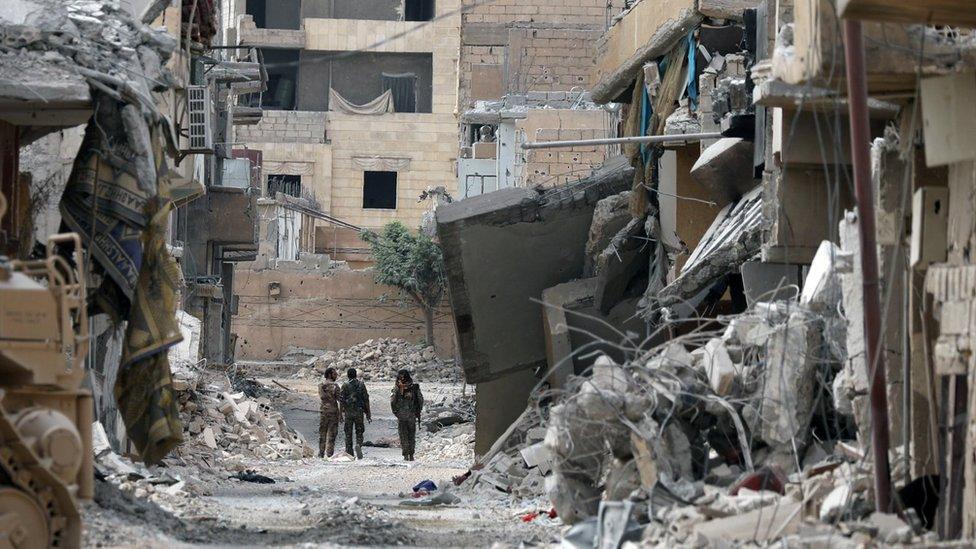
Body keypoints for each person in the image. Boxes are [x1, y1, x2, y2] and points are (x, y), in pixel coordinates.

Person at [391, 369, 423, 461]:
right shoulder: (414, 387)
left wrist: (396, 412)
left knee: (403, 435)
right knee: (411, 435)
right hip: (411, 415)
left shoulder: (397, 387)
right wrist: (418, 411)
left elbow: (393, 401)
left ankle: (405, 455)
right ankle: (411, 455)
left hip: (401, 416)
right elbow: (420, 400)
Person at [340, 368, 371, 459]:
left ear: (348, 375)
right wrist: (368, 413)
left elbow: (341, 401)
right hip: (359, 412)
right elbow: (366, 399)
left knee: (348, 433)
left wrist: (340, 415)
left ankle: (349, 453)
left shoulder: (345, 385)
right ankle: (359, 445)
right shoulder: (361, 385)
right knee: (359, 431)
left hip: (349, 413)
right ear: (356, 375)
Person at [318, 367, 342, 458]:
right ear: (330, 375)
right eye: (334, 374)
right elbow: (340, 400)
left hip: (323, 412)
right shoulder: (336, 386)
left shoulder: (321, 385)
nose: (336, 376)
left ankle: (321, 453)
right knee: (332, 434)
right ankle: (329, 454)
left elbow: (322, 397)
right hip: (333, 412)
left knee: (322, 433)